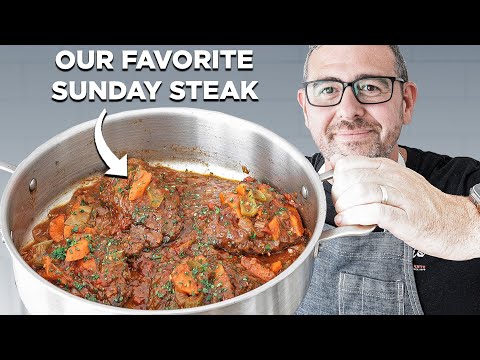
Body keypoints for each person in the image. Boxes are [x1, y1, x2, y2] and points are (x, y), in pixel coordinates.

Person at [294, 45, 480, 315]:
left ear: (406, 102)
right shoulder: (280, 190)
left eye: (370, 87)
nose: (348, 111)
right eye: (327, 90)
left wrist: (462, 223)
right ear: (306, 110)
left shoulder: (461, 181)